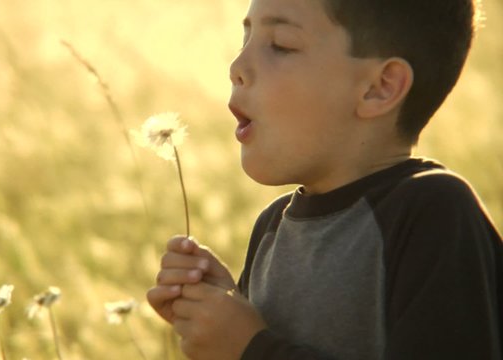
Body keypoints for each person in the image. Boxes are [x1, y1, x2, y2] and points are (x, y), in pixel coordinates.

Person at [146, 0, 503, 358]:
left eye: (281, 45)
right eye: (245, 38)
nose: (236, 67)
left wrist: (251, 348)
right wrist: (223, 311)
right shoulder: (272, 227)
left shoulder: (433, 213)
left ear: (379, 87)